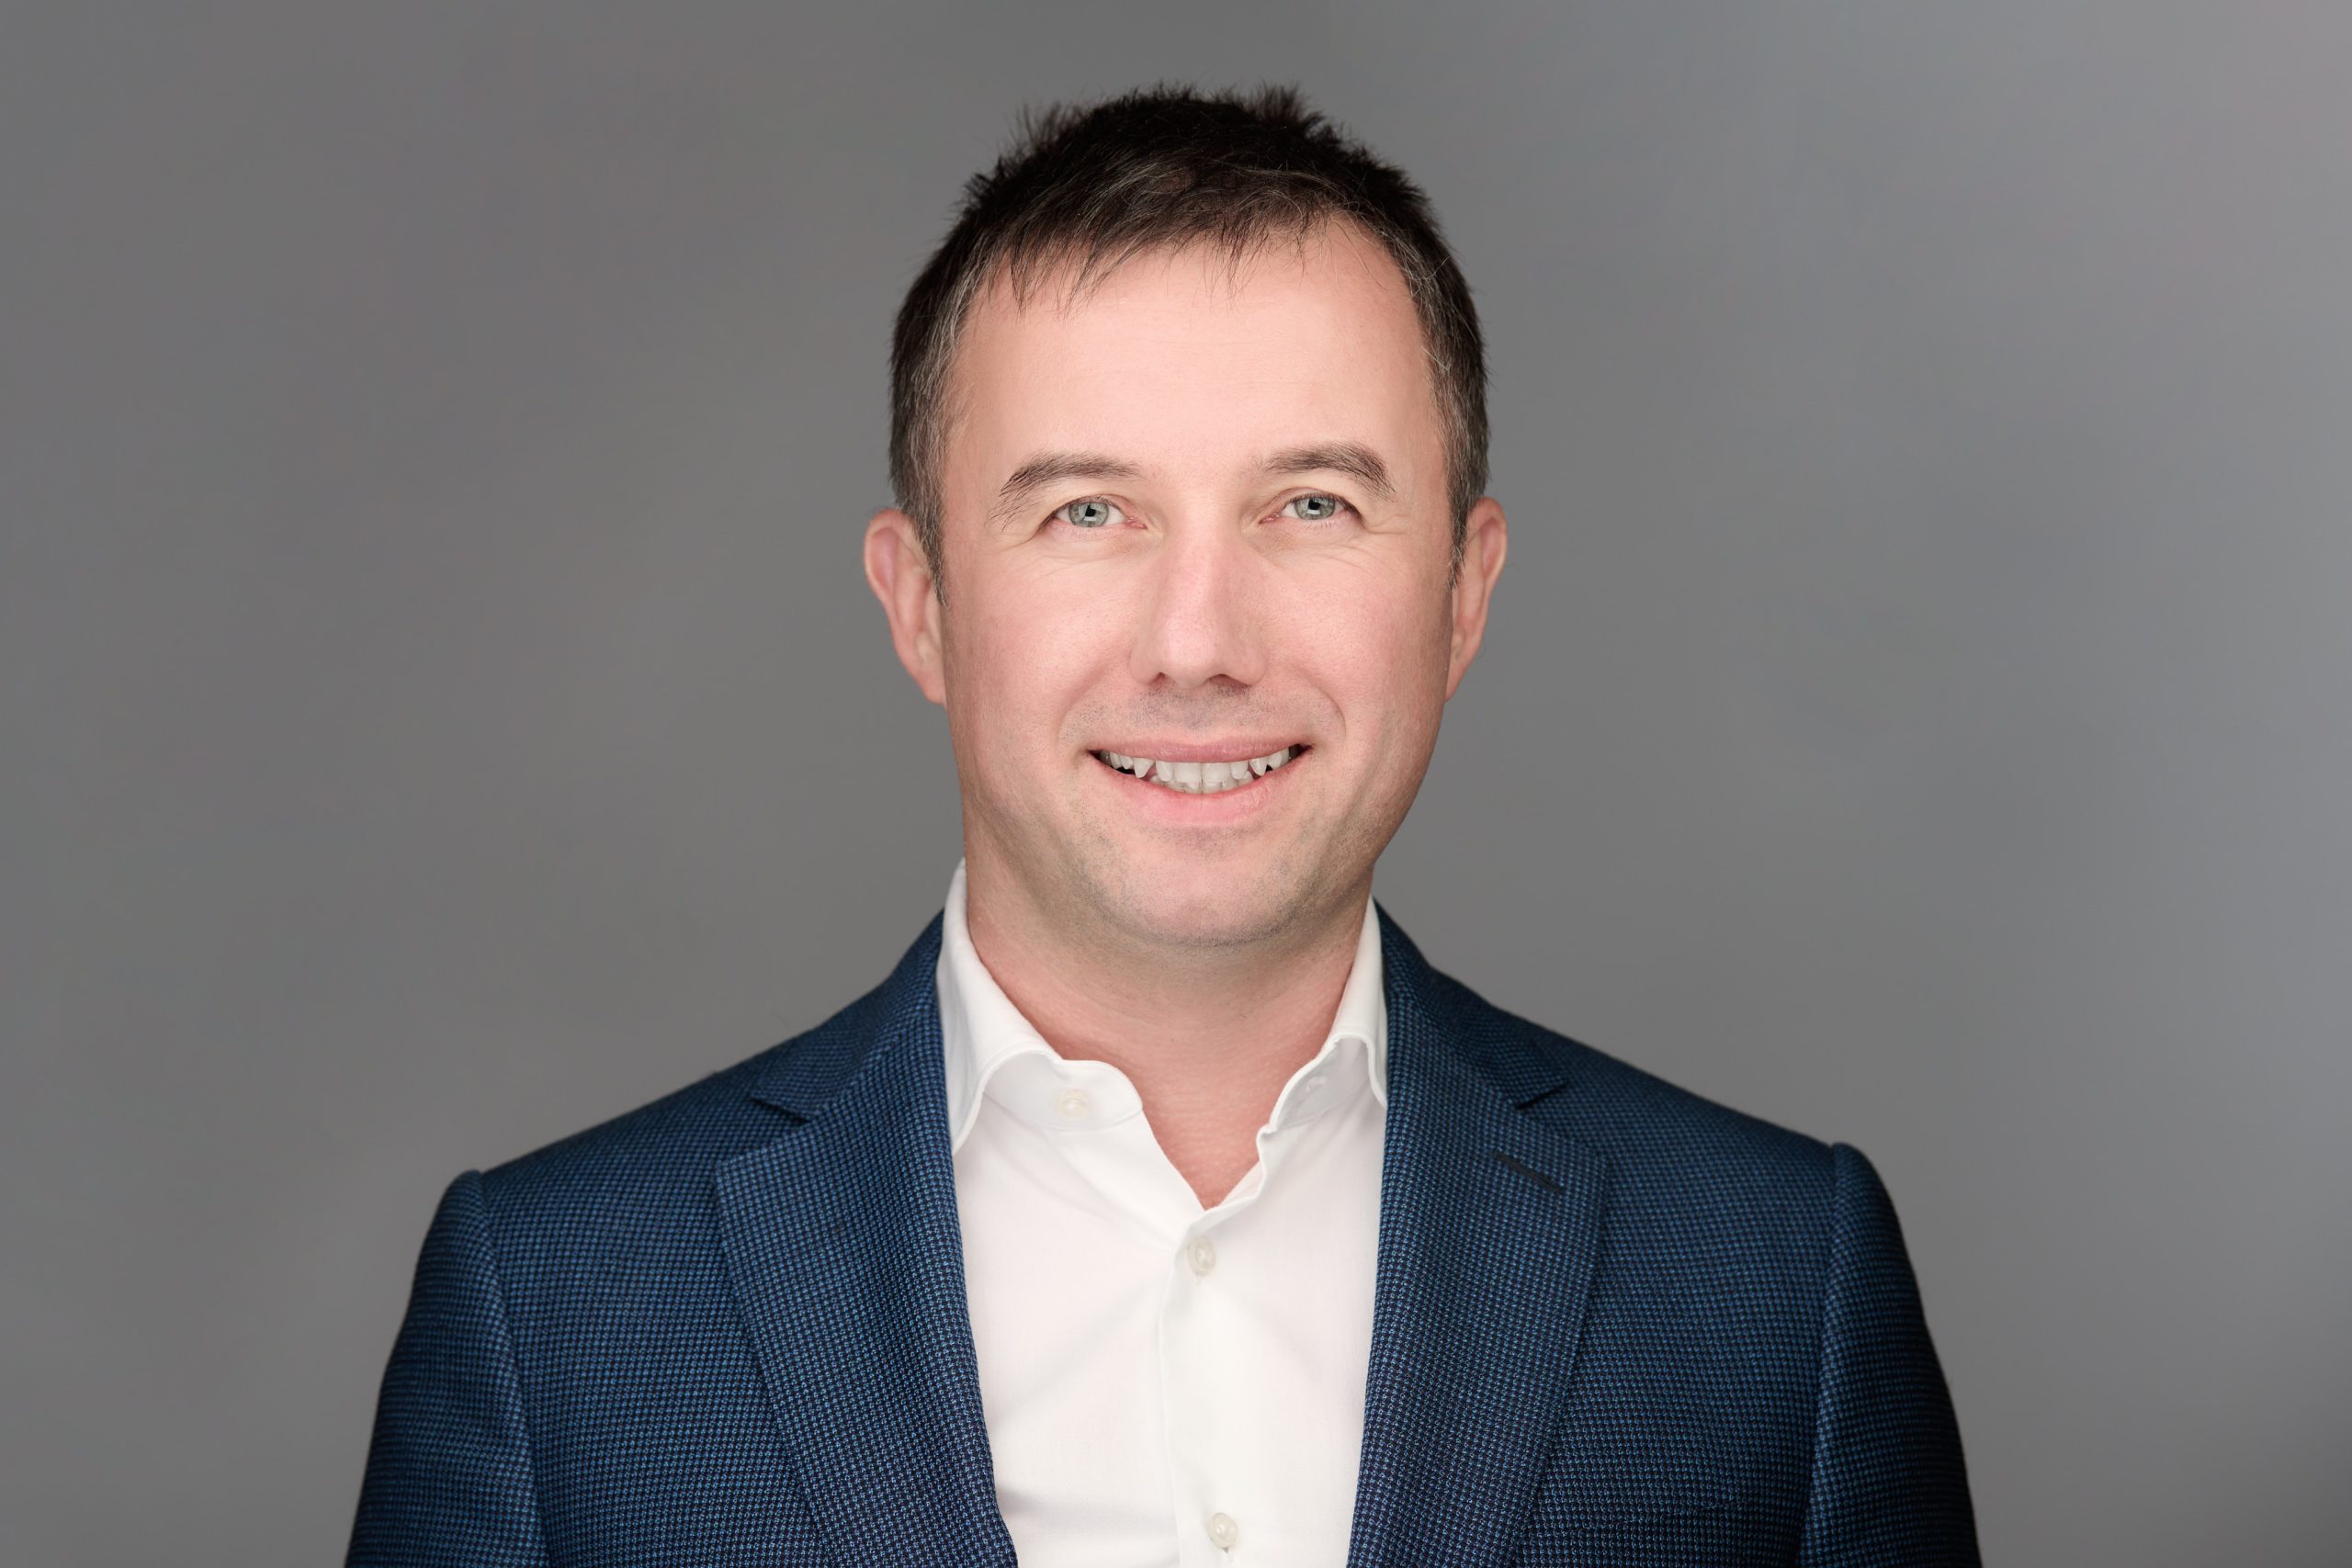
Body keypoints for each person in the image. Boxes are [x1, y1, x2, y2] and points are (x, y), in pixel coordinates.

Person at [348, 85, 1978, 1567]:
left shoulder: (1781, 1285)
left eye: (1312, 505)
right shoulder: (550, 1312)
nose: (1198, 642)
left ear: (1463, 594)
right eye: (1089, 512)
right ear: (921, 604)